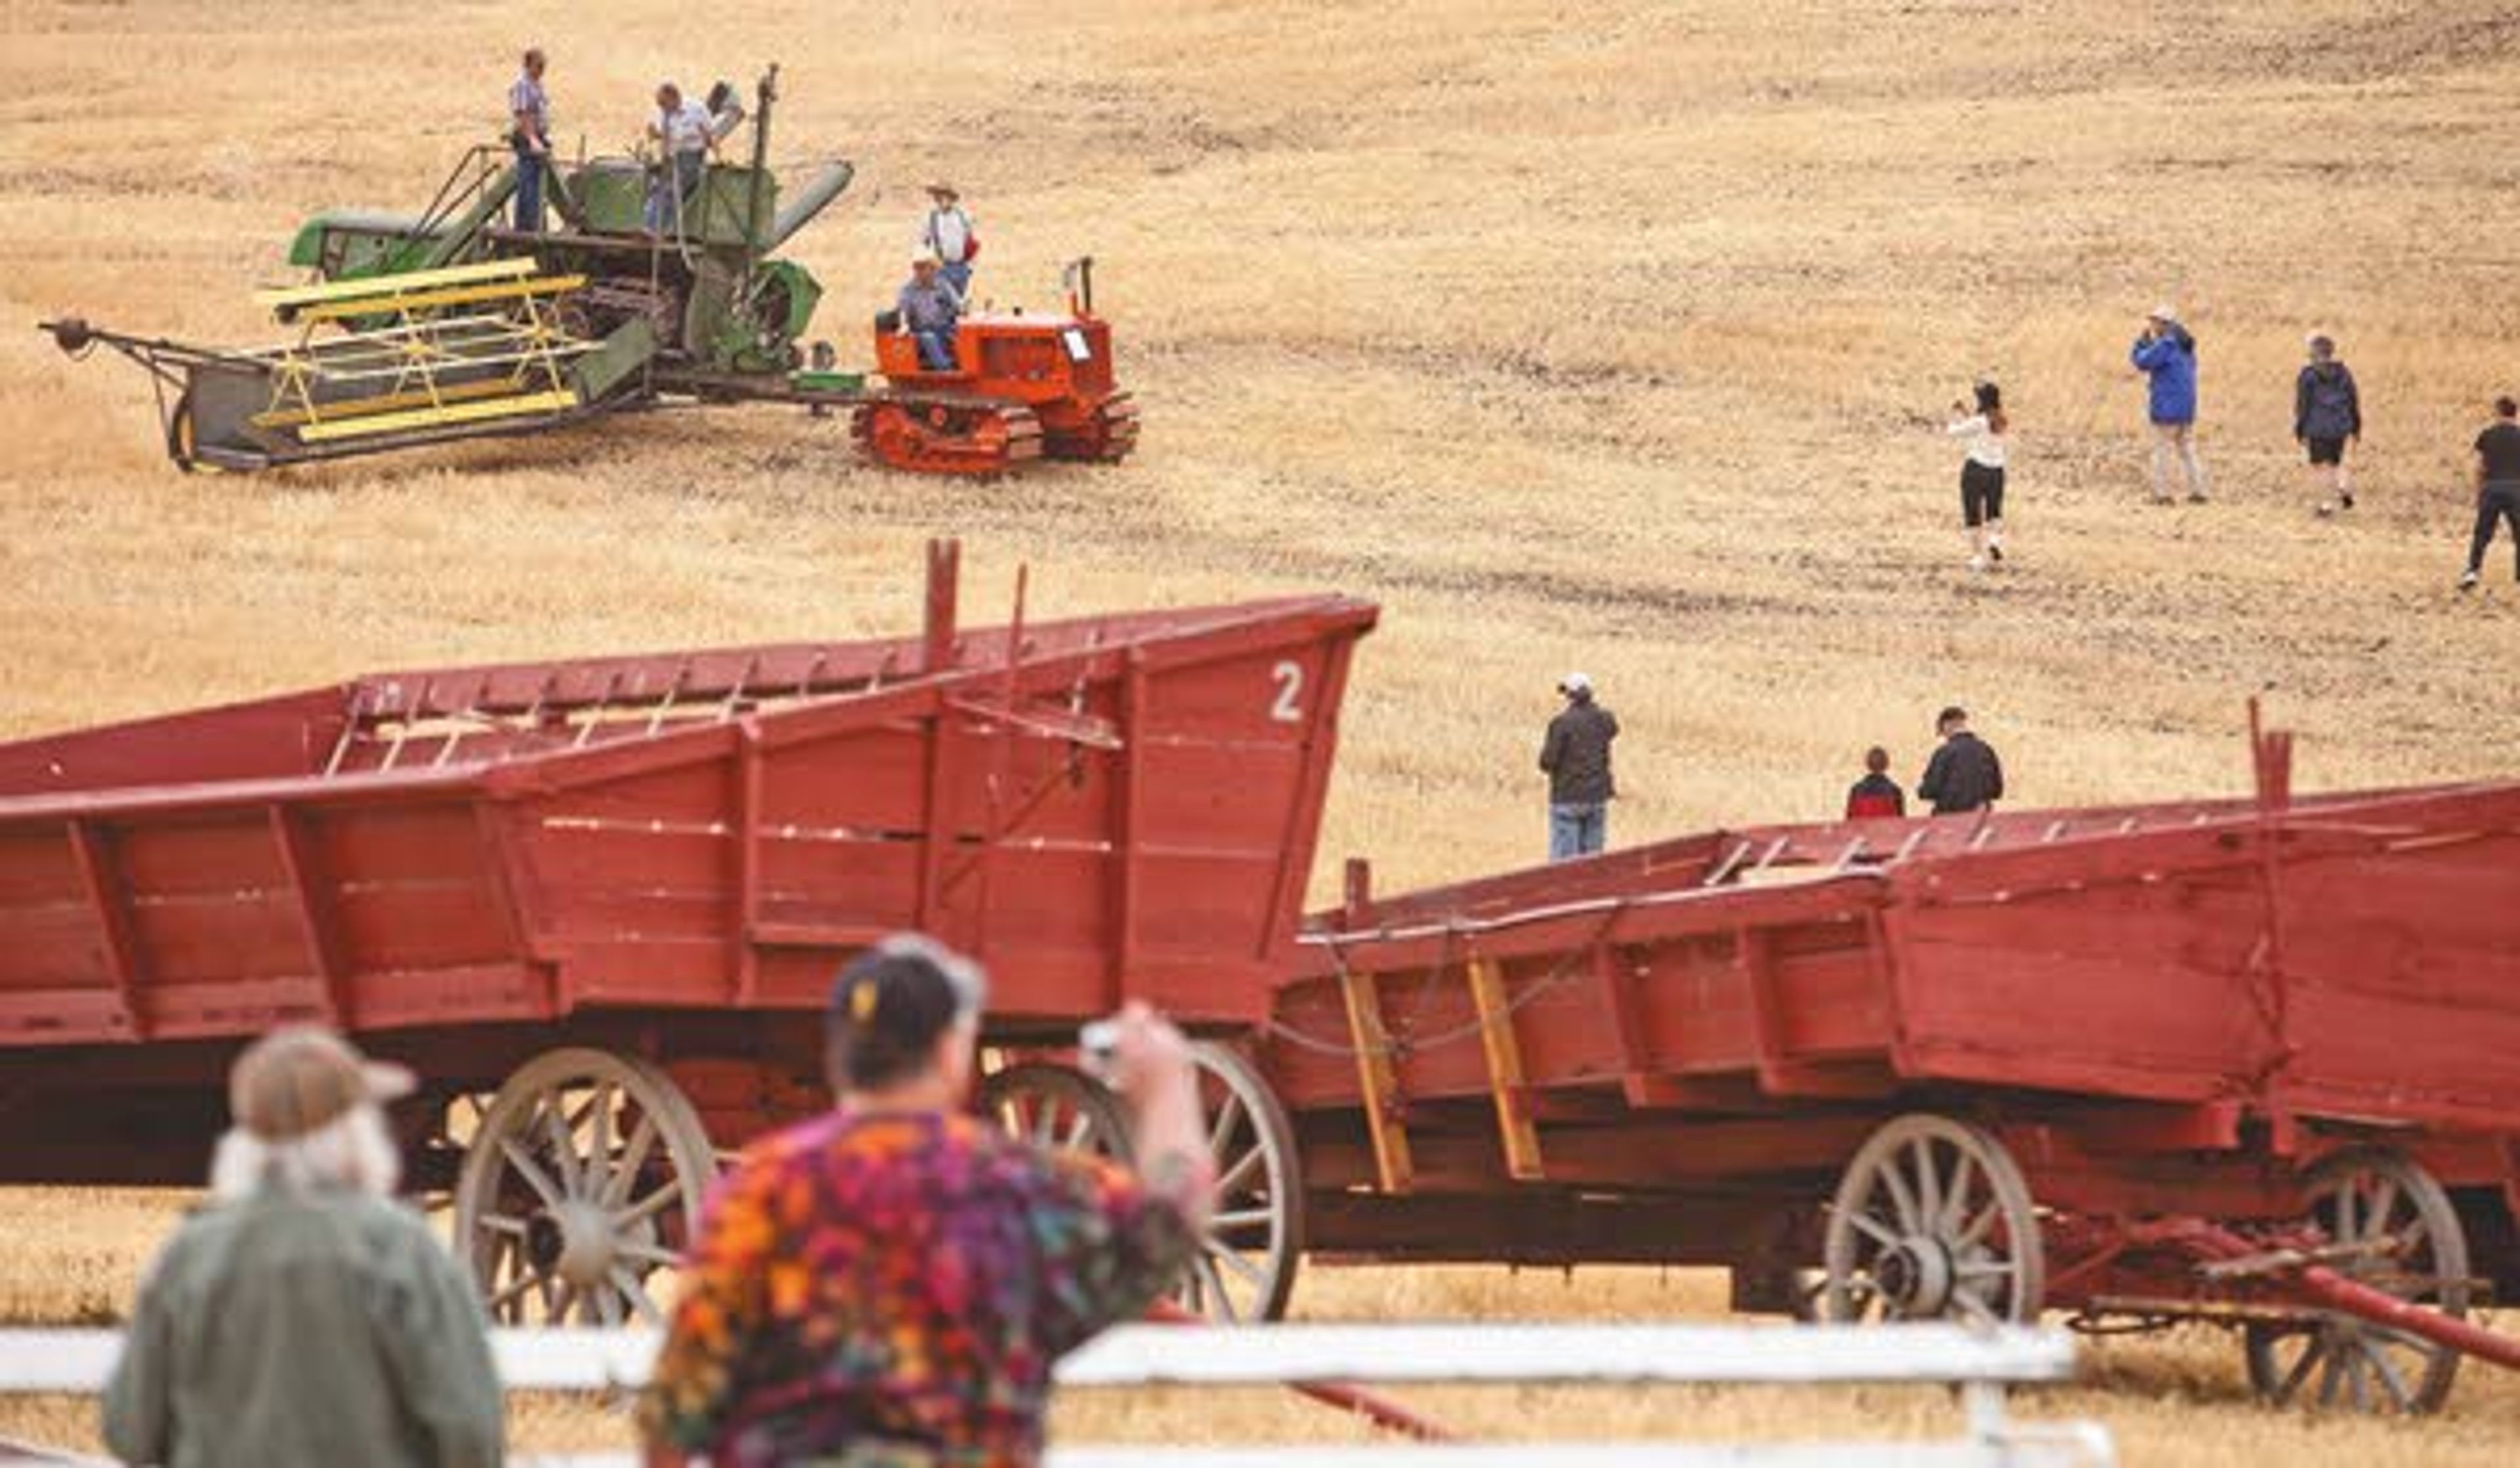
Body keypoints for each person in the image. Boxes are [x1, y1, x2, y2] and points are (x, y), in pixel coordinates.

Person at [639, 935, 1207, 1468]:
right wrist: (1167, 1088)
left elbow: (675, 1411)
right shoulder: (1017, 1184)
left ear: (840, 1052)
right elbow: (1168, 1223)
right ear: (949, 1052)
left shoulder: (762, 1190)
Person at [102, 1028, 503, 1468]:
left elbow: (130, 1428)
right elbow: (470, 1428)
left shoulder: (188, 1254)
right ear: (355, 1132)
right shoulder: (401, 1249)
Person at [2132, 306, 2207, 504]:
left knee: (2161, 450)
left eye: (2155, 321)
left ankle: (2162, 494)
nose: (2152, 325)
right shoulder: (2186, 346)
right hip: (2186, 407)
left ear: (2165, 324)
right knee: (2187, 450)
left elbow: (2142, 362)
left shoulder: (2167, 344)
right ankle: (2199, 490)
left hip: (2167, 407)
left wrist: (2141, 344)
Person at [1539, 671, 1618, 861]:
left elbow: (1547, 762)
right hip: (1597, 796)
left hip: (1568, 797)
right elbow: (1613, 729)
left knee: (1565, 866)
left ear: (1569, 696)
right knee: (1592, 863)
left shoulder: (1561, 723)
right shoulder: (1605, 719)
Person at [2296, 334, 2362, 516]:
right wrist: (2356, 426)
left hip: (2317, 427)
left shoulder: (2307, 375)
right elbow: (2353, 400)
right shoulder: (2344, 372)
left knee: (2320, 466)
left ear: (2313, 353)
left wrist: (2300, 430)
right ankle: (2342, 485)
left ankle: (2326, 504)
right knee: (2336, 462)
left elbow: (2303, 405)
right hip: (2340, 425)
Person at [1946, 380, 2009, 572]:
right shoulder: (2001, 421)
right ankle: (1995, 540)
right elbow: (1978, 426)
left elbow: (1954, 433)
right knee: (1994, 511)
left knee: (1972, 515)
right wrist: (1966, 413)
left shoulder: (1979, 422)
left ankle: (1977, 557)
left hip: (1975, 470)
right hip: (1997, 471)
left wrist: (1954, 416)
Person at [2459, 395, 2520, 592]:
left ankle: (2472, 572)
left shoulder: (2487, 434)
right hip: (2516, 489)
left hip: (2492, 488)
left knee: (2482, 534)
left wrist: (2478, 492)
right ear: (2515, 413)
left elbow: (2479, 467)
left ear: (2498, 412)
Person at [644, 81, 715, 234]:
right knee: (654, 187)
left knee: (670, 190)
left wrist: (718, 155)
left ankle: (657, 230)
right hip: (671, 157)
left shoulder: (697, 109)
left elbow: (710, 135)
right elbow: (658, 135)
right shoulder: (662, 112)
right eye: (659, 105)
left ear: (674, 98)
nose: (662, 108)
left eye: (664, 104)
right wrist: (654, 134)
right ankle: (649, 227)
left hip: (691, 158)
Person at [1916, 706, 2003, 816]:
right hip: (1980, 818)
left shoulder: (1944, 753)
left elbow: (1929, 790)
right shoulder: (1987, 750)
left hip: (1950, 820)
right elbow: (1997, 791)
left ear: (1947, 725)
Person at [508, 48, 552, 234]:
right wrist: (533, 139)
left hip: (538, 137)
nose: (542, 70)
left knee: (534, 181)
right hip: (528, 139)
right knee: (528, 182)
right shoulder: (522, 85)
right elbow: (523, 114)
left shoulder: (537, 85)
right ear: (528, 65)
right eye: (539, 66)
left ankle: (529, 223)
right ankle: (529, 225)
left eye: (543, 66)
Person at [896, 254, 963, 371]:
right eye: (917, 267)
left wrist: (963, 308)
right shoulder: (907, 290)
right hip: (921, 332)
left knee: (963, 332)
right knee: (929, 338)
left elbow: (958, 305)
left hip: (944, 328)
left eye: (923, 267)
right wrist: (904, 326)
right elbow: (903, 312)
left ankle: (968, 368)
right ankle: (946, 370)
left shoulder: (943, 285)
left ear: (933, 269)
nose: (919, 271)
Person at [919, 184, 979, 302]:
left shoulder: (964, 216)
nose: (943, 200)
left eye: (945, 197)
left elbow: (973, 241)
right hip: (942, 267)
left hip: (961, 267)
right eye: (939, 197)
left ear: (952, 199)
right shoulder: (930, 218)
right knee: (943, 302)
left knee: (958, 304)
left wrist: (970, 267)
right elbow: (922, 243)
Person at [1845, 746, 1906, 819]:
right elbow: (1900, 824)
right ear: (1886, 764)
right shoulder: (1895, 792)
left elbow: (1849, 822)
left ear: (1868, 764)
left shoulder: (1855, 791)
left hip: (1862, 830)